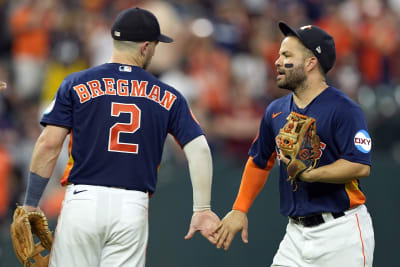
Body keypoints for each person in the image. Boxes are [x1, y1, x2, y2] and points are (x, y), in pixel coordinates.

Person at [20, 7, 219, 267]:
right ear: (146, 47)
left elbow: (48, 144)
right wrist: (202, 209)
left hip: (83, 201)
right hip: (131, 206)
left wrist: (32, 203)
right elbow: (199, 149)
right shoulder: (169, 96)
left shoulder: (75, 83)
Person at [213, 21, 374, 267]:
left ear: (310, 63)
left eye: (287, 55)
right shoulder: (275, 111)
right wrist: (239, 208)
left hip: (341, 232)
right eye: (279, 54)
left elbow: (360, 165)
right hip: (295, 235)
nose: (277, 61)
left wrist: (311, 175)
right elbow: (258, 162)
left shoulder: (344, 109)